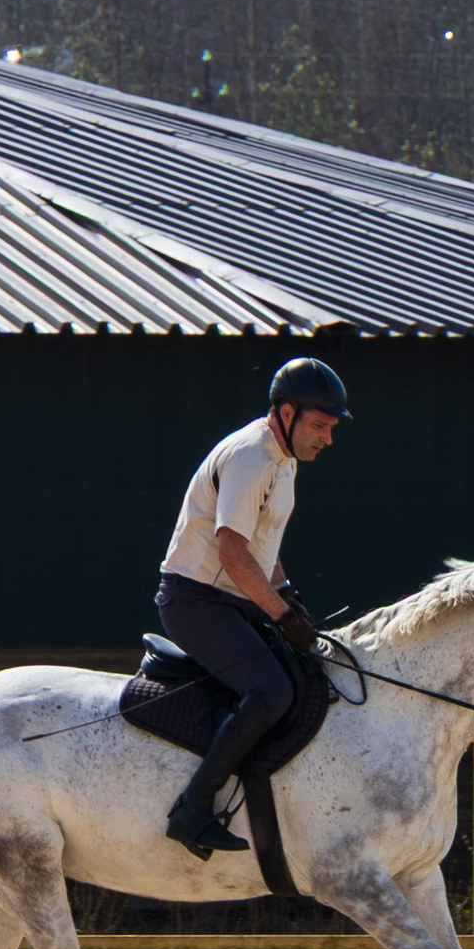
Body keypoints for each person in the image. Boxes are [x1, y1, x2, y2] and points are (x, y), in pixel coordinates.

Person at [154, 356, 349, 856]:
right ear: (286, 413)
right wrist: (281, 616)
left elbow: (263, 545)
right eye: (320, 426)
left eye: (331, 428)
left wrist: (288, 594)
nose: (328, 439)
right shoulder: (250, 458)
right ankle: (192, 808)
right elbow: (232, 552)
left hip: (235, 598)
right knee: (272, 691)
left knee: (307, 673)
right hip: (196, 600)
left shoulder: (283, 459)